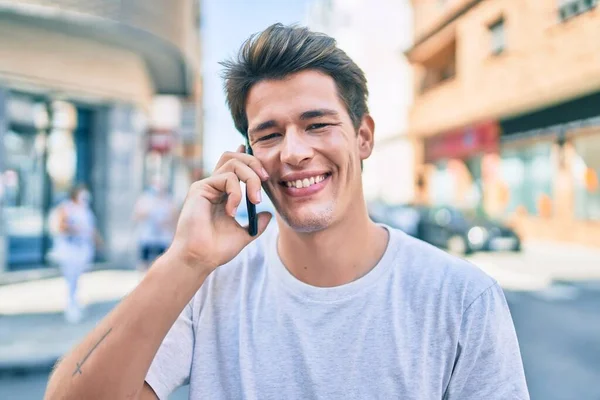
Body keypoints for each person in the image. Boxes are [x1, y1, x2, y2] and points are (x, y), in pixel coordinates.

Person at [45, 24, 529, 399]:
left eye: (317, 124)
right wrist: (185, 259)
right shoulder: (209, 285)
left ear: (363, 137)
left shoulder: (463, 299)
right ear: (246, 155)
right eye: (270, 134)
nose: (293, 152)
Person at [49, 184, 100, 324]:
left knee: (78, 277)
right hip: (69, 249)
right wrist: (74, 228)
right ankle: (70, 305)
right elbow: (60, 226)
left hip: (83, 249)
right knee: (71, 277)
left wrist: (98, 241)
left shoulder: (86, 210)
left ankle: (75, 302)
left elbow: (91, 229)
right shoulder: (66, 207)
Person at [132, 178, 177, 271]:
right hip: (147, 237)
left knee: (162, 262)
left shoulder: (168, 200)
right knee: (144, 262)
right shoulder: (145, 199)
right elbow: (136, 215)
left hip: (163, 238)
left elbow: (175, 218)